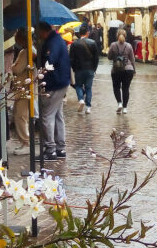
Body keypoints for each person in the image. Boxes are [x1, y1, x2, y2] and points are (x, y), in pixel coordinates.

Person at [36, 21, 70, 160]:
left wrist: (38, 57)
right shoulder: (56, 39)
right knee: (57, 115)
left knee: (47, 115)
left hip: (54, 82)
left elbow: (50, 61)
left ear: (43, 31)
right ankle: (60, 148)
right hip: (61, 81)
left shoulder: (53, 42)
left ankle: (51, 149)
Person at [8, 28, 34, 156]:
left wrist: (13, 66)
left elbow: (17, 69)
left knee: (20, 115)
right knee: (19, 114)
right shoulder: (28, 50)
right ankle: (24, 142)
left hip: (24, 87)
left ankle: (26, 142)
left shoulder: (26, 52)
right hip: (25, 87)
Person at [69, 24, 100, 113]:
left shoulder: (74, 44)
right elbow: (96, 58)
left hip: (79, 69)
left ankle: (81, 100)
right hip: (90, 68)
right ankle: (88, 107)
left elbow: (71, 58)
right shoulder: (92, 43)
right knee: (88, 88)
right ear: (87, 33)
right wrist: (94, 68)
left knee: (78, 86)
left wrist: (74, 68)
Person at [108, 31, 136, 114]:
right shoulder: (129, 46)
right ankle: (125, 108)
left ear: (117, 36)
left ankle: (119, 103)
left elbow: (109, 57)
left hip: (116, 69)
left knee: (116, 87)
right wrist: (134, 69)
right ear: (125, 36)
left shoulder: (113, 45)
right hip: (128, 69)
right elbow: (132, 59)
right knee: (125, 89)